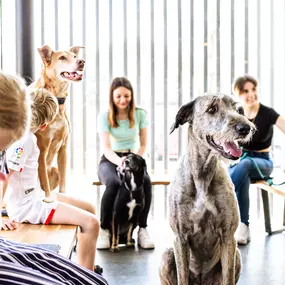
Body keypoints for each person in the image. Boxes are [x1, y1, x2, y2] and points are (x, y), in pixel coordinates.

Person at [0, 71, 108, 284]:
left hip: (35, 196)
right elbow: (5, 176)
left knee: (88, 208)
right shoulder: (24, 141)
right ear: (44, 126)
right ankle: (86, 273)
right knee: (91, 223)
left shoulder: (26, 138)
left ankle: (85, 262)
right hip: (28, 206)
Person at [96, 77, 154, 249]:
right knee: (114, 183)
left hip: (133, 158)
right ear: (112, 97)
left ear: (132, 96)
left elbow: (143, 145)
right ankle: (105, 230)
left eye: (127, 96)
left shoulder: (140, 114)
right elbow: (106, 148)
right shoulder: (105, 116)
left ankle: (142, 229)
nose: (123, 100)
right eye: (118, 96)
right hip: (110, 159)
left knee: (145, 181)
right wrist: (121, 162)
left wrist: (131, 161)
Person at [229, 75, 285, 245]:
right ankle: (244, 226)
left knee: (244, 165)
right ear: (238, 94)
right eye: (246, 91)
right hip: (239, 163)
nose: (251, 94)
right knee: (243, 174)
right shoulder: (236, 114)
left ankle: (225, 192)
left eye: (253, 89)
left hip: (263, 162)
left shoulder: (268, 113)